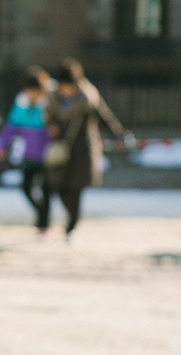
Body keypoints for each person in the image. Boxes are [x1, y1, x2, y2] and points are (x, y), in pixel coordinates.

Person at [44, 63, 127, 242]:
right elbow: (47, 117)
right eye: (63, 86)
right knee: (59, 186)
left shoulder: (88, 97)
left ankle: (72, 227)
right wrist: (50, 126)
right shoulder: (52, 99)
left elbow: (104, 116)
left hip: (83, 149)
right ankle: (71, 222)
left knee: (76, 187)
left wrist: (118, 133)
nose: (66, 90)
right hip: (61, 150)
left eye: (69, 86)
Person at [0, 74, 51, 231]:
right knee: (26, 187)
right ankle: (42, 215)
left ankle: (44, 223)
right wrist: (1, 146)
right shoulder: (21, 106)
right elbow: (10, 127)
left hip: (47, 156)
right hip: (29, 155)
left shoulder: (49, 105)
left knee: (46, 190)